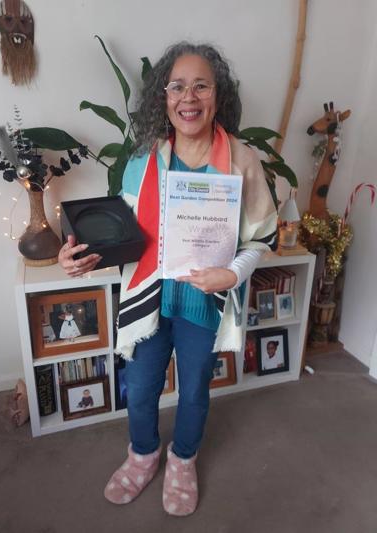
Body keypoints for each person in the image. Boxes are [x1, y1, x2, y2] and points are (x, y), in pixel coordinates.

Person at [58, 41, 277, 516]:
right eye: (177, 86)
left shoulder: (243, 161)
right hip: (148, 302)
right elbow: (123, 236)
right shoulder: (143, 160)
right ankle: (142, 455)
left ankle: (182, 459)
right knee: (139, 388)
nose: (189, 97)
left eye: (202, 85)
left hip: (204, 302)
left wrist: (232, 272)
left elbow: (263, 236)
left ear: (218, 97)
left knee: (195, 388)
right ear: (164, 96)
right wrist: (81, 257)